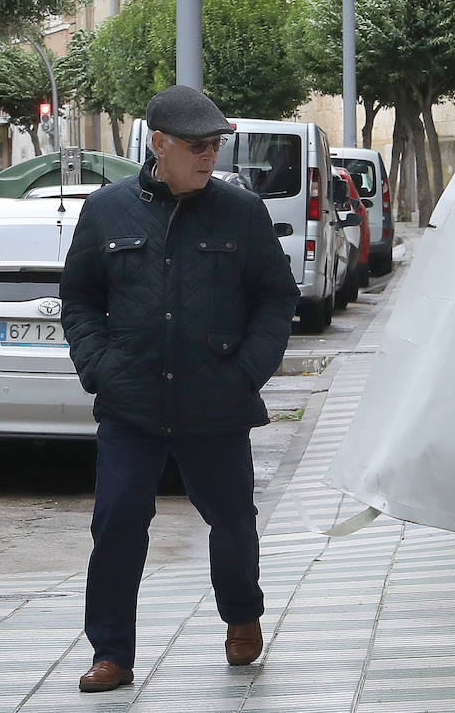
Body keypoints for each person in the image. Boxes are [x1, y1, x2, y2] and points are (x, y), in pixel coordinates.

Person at [60, 84, 300, 693]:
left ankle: (242, 616)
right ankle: (111, 652)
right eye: (196, 145)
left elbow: (276, 297)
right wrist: (99, 366)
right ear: (158, 144)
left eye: (215, 145)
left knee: (233, 523)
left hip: (216, 401)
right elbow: (80, 298)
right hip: (131, 401)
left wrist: (247, 371)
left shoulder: (241, 213)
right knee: (115, 523)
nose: (208, 156)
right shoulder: (106, 211)